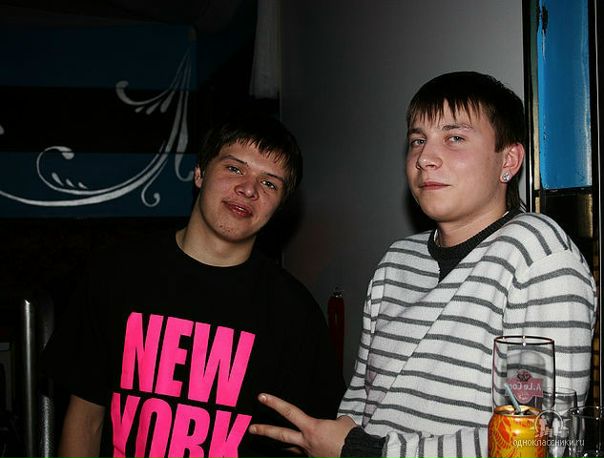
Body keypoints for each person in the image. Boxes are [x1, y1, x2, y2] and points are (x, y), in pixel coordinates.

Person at [248, 71, 598, 457]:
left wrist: (363, 451)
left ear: (509, 160)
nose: (424, 159)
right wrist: (327, 439)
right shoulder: (396, 261)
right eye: (417, 141)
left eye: (455, 138)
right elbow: (361, 398)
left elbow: (541, 438)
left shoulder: (538, 254)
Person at [42, 112, 345, 458]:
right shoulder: (117, 273)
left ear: (279, 207)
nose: (248, 189)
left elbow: (308, 442)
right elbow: (85, 421)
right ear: (199, 173)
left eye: (269, 184)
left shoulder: (295, 312)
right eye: (234, 168)